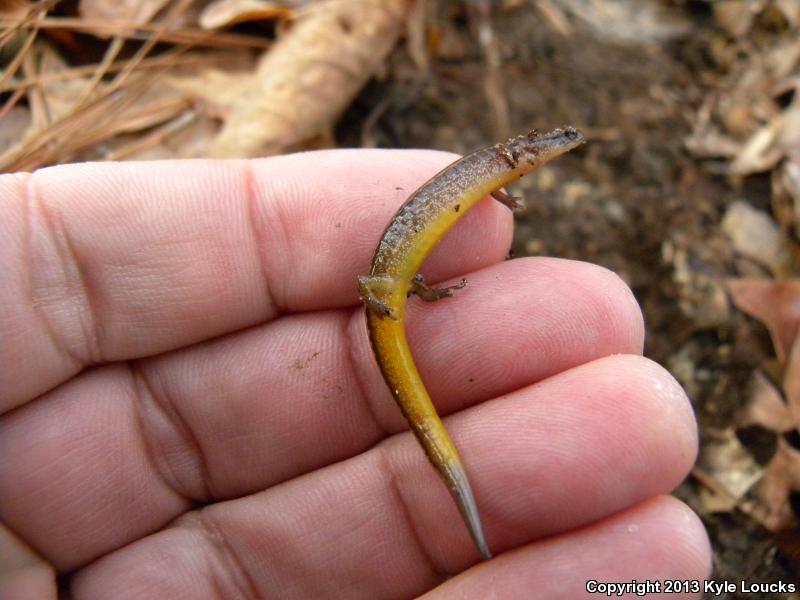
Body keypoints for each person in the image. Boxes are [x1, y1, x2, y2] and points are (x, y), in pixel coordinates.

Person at [0, 150, 710, 599]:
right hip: (384, 291)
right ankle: (448, 466)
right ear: (523, 153)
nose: (563, 148)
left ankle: (453, 468)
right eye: (556, 141)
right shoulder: (496, 163)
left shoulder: (498, 177)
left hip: (393, 289)